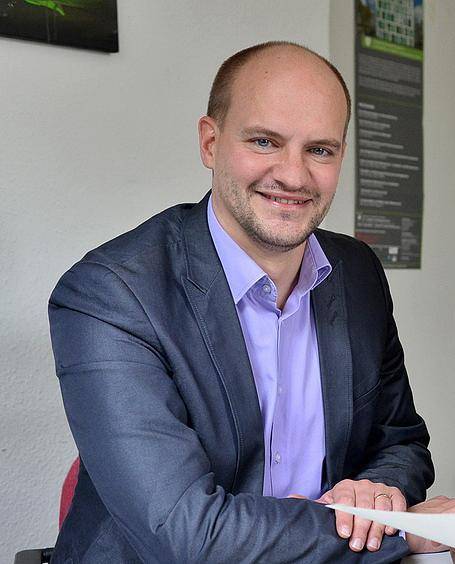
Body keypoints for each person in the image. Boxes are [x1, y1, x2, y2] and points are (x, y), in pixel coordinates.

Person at [48, 41, 447, 563]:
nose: (294, 176)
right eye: (264, 141)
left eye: (320, 150)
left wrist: (375, 495)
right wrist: (399, 530)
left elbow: (400, 442)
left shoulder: (357, 274)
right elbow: (186, 536)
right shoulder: (112, 295)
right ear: (210, 143)